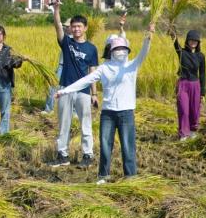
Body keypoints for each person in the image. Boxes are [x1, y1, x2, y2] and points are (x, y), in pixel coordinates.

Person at [54, 24, 154, 184]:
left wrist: (149, 36)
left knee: (128, 146)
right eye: (117, 49)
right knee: (105, 146)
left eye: (123, 49)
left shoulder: (131, 66)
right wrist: (64, 91)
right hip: (107, 113)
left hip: (126, 113)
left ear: (127, 51)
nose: (121, 51)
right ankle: (103, 176)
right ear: (111, 51)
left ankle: (130, 176)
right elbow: (85, 81)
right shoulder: (104, 68)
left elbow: (144, 52)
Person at [49, 0, 99, 170]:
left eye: (79, 26)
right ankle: (62, 154)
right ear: (70, 28)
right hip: (65, 89)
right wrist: (56, 10)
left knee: (86, 123)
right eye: (73, 26)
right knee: (64, 123)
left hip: (84, 91)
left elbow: (92, 72)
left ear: (85, 28)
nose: (76, 29)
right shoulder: (67, 43)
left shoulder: (91, 48)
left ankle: (88, 154)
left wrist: (94, 94)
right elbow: (57, 26)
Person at [171, 28, 206, 141]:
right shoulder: (182, 53)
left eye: (195, 40)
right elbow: (176, 44)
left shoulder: (201, 56)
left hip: (195, 86)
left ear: (198, 42)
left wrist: (203, 92)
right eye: (191, 40)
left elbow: (202, 74)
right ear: (187, 40)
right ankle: (183, 134)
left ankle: (192, 131)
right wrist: (173, 34)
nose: (193, 42)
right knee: (184, 110)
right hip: (183, 85)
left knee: (195, 110)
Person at [42, 19, 70, 114]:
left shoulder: (79, 39)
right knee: (53, 86)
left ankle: (74, 111)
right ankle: (49, 109)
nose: (65, 28)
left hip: (73, 67)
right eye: (65, 26)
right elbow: (58, 26)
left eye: (68, 26)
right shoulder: (64, 38)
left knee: (75, 88)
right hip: (62, 65)